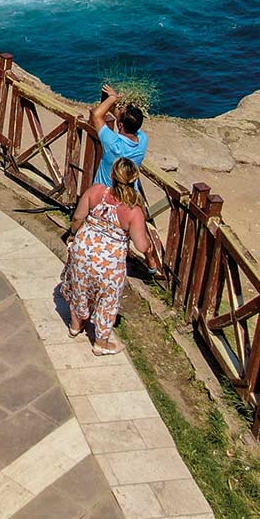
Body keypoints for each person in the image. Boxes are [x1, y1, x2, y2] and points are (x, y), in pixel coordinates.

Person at [59, 157, 159, 353]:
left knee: (80, 285)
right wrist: (150, 251)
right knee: (108, 300)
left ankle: (76, 325)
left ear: (112, 175)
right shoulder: (134, 211)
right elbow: (141, 244)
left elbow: (78, 217)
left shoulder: (96, 191)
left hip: (84, 249)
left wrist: (72, 235)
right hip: (109, 261)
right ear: (134, 180)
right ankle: (101, 342)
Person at [90, 86, 148, 190]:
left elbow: (96, 115)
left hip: (105, 195)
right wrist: (115, 104)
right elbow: (127, 120)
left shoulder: (113, 144)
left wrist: (113, 98)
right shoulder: (143, 140)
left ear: (120, 125)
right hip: (130, 194)